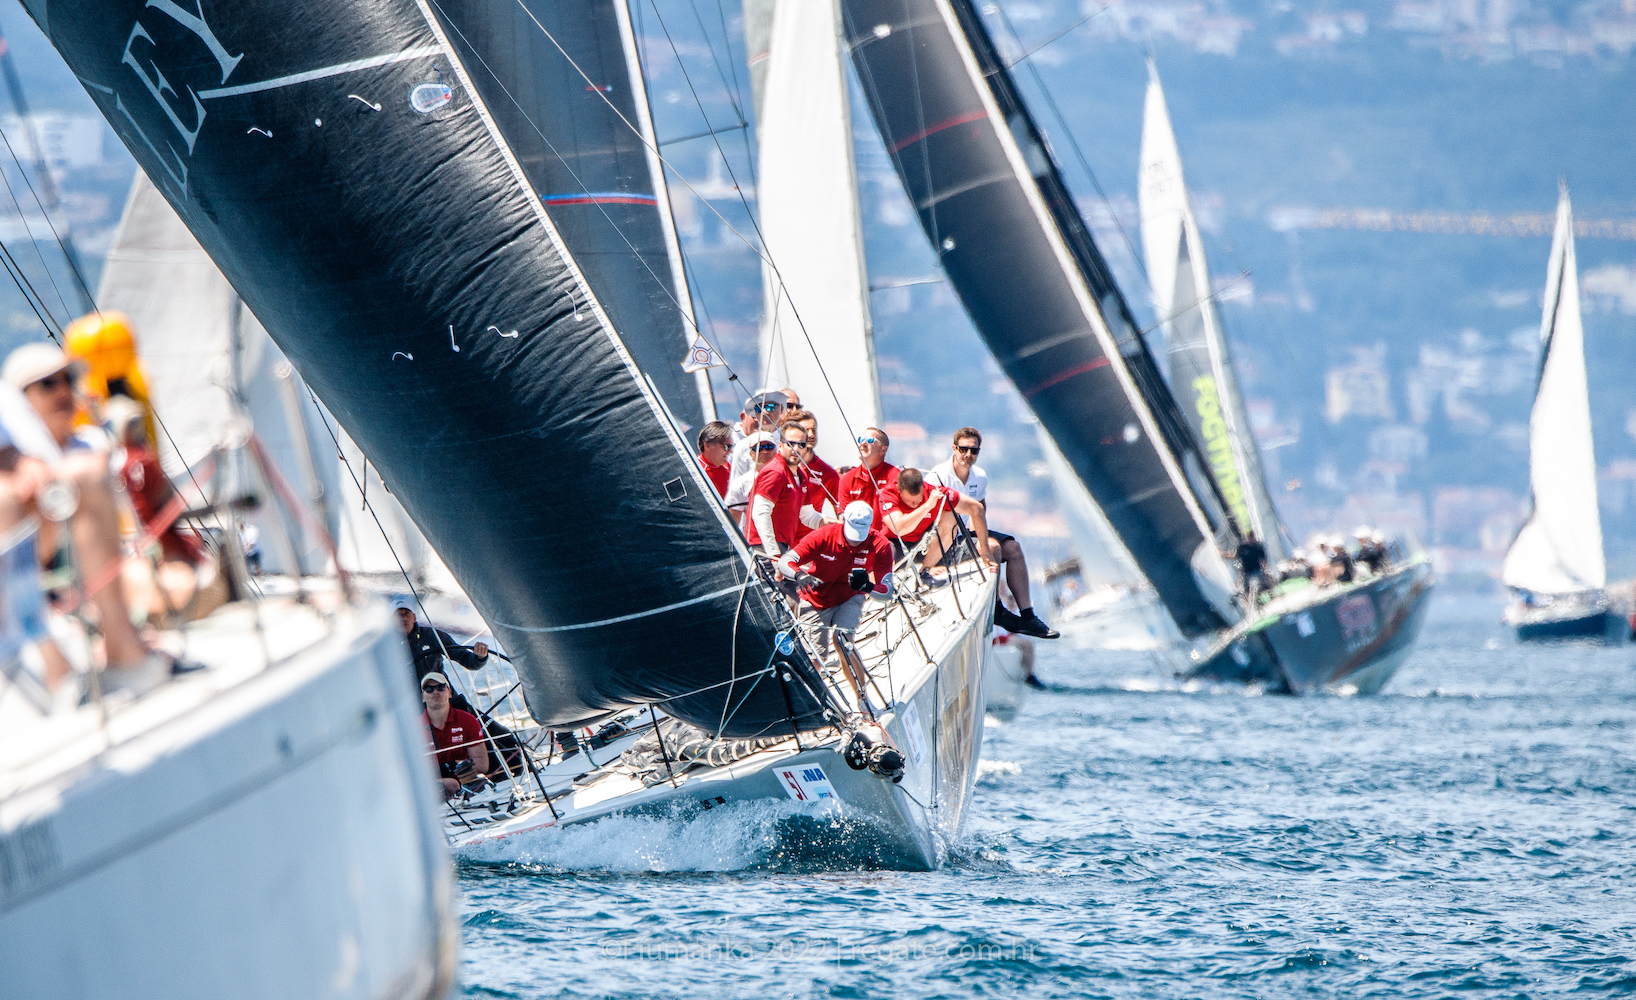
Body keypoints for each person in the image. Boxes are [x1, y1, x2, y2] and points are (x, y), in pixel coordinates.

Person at [0, 343, 170, 696]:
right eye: (49, 384)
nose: (63, 391)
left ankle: (126, 652)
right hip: (51, 569)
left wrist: (25, 463)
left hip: (79, 561)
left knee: (86, 474)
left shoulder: (92, 446)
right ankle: (55, 671)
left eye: (68, 380)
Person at [928, 427, 1058, 639]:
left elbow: (980, 508)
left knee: (1013, 548)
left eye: (973, 450)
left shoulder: (979, 476)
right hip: (941, 540)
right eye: (963, 449)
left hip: (963, 534)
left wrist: (977, 535)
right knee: (992, 547)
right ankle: (997, 608)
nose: (968, 455)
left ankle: (1028, 615)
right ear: (954, 448)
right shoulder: (938, 477)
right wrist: (981, 545)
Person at [777, 500, 893, 710]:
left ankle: (863, 701)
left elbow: (888, 592)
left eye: (860, 536)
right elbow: (785, 561)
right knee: (814, 658)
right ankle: (808, 710)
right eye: (851, 535)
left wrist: (868, 586)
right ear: (843, 520)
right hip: (815, 598)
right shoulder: (823, 535)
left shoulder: (880, 545)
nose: (855, 542)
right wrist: (799, 574)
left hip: (851, 596)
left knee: (843, 642)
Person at [880, 468, 995, 587]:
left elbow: (977, 508)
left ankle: (925, 572)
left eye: (919, 499)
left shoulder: (934, 492)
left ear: (923, 487)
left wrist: (985, 550)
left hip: (923, 545)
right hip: (895, 544)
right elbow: (899, 528)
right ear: (899, 490)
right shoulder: (888, 494)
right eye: (909, 501)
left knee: (951, 515)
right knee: (881, 554)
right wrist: (928, 505)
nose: (915, 504)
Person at [746, 420, 821, 562]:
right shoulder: (776, 472)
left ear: (806, 448)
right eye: (790, 444)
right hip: (764, 548)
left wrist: (839, 524)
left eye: (801, 445)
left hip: (782, 546)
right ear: (780, 446)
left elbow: (808, 516)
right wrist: (774, 555)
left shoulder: (801, 475)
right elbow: (760, 514)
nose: (796, 449)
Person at [421, 670, 489, 799]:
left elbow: (482, 764)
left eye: (441, 687)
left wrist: (456, 767)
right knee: (451, 785)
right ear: (423, 697)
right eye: (429, 689)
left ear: (450, 692)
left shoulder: (468, 720)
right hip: (431, 788)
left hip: (467, 786)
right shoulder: (414, 727)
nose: (435, 692)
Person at [785, 408, 840, 541]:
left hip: (809, 542)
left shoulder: (827, 473)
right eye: (806, 430)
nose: (811, 435)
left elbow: (840, 508)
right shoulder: (778, 466)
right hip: (780, 540)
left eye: (813, 430)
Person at [836, 427, 898, 532]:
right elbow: (844, 518)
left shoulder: (894, 476)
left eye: (870, 440)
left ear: (883, 449)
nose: (863, 444)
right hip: (858, 537)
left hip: (887, 538)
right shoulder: (847, 479)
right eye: (861, 439)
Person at [727, 389, 790, 480]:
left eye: (770, 407)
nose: (764, 412)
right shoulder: (742, 447)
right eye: (759, 409)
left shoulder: (792, 442)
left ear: (781, 409)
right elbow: (736, 484)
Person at [723, 430, 776, 527]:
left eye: (769, 447)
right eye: (758, 448)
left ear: (776, 451)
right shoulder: (741, 484)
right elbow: (732, 524)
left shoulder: (788, 477)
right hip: (755, 534)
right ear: (751, 454)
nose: (764, 451)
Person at [696, 420, 732, 498]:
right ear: (707, 446)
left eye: (731, 446)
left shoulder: (727, 466)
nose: (730, 451)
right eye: (727, 447)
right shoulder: (698, 472)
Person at [1233, 532, 1269, 606]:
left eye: (1253, 537)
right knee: (1246, 589)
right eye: (1250, 537)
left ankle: (1253, 603)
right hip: (1246, 572)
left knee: (1254, 585)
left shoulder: (1258, 547)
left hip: (1256, 571)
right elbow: (1235, 556)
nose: (1251, 539)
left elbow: (1264, 560)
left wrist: (1266, 571)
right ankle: (1247, 603)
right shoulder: (1243, 547)